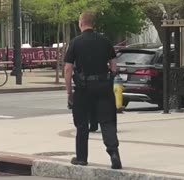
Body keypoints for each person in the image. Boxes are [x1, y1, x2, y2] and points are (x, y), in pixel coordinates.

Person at [64, 11, 122, 169]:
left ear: (81, 23)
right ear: (92, 23)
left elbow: (68, 69)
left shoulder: (75, 43)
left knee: (82, 123)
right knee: (107, 121)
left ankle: (82, 158)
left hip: (83, 89)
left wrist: (69, 92)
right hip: (103, 86)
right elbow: (114, 65)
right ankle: (114, 153)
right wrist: (109, 80)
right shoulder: (105, 41)